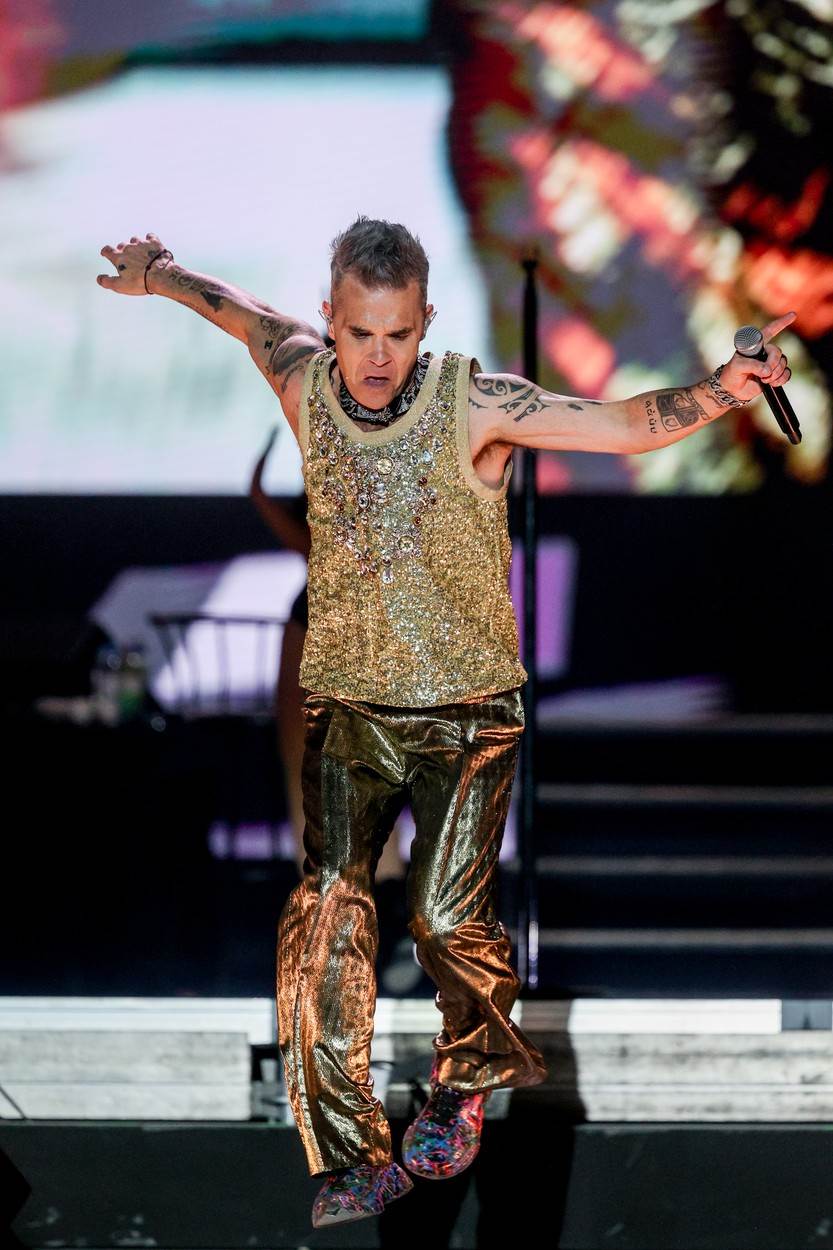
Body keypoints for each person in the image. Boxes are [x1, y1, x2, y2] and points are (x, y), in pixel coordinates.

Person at [97, 220, 793, 1228]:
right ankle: (352, 1154)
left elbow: (618, 423)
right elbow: (240, 314)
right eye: (358, 334)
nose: (378, 359)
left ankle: (465, 1077)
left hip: (465, 710)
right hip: (349, 705)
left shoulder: (474, 401)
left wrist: (723, 389)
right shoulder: (299, 375)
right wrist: (159, 274)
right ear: (329, 319)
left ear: (425, 320)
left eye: (397, 335)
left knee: (440, 915)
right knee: (324, 910)